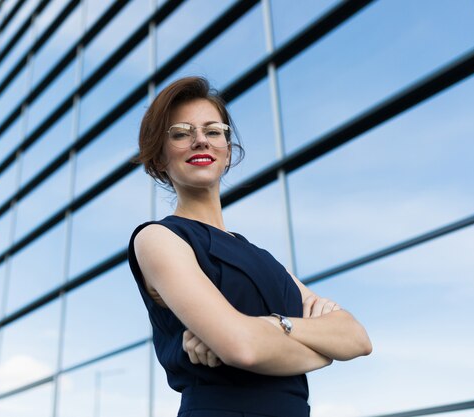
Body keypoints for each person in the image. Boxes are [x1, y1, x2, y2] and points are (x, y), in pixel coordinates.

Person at [127, 76, 372, 417]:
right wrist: (323, 350)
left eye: (213, 131)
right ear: (159, 158)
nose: (201, 140)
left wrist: (273, 326)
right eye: (181, 133)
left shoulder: (264, 259)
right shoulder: (158, 239)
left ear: (227, 153)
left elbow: (357, 339)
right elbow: (242, 348)